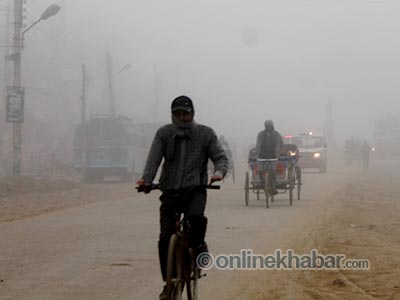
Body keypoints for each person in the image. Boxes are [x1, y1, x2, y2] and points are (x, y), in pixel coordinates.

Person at [136, 95, 228, 300]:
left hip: (195, 189)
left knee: (195, 218)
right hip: (169, 191)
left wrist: (219, 173)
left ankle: (199, 248)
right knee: (164, 237)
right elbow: (153, 159)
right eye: (178, 113)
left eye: (186, 113)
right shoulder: (164, 133)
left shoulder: (206, 134)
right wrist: (146, 180)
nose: (182, 117)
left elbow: (220, 157)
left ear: (192, 113)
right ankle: (169, 283)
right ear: (172, 114)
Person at [255, 120, 283, 194]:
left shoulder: (277, 134)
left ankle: (273, 186)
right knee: (260, 171)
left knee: (273, 170)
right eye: (267, 126)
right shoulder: (261, 134)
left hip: (273, 155)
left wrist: (278, 152)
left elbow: (279, 144)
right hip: (262, 155)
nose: (269, 127)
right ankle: (263, 182)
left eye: (270, 125)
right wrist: (257, 153)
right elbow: (258, 144)